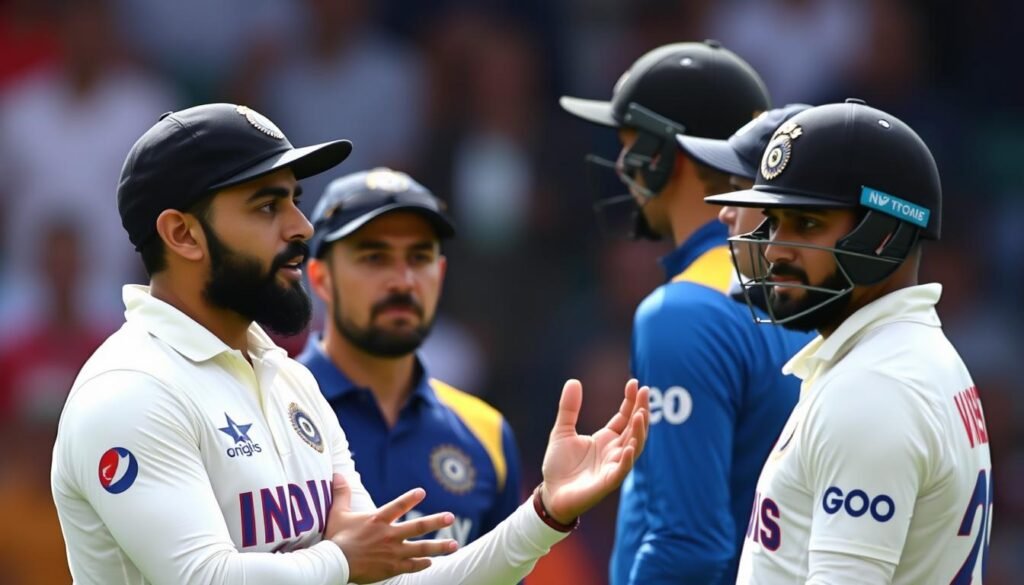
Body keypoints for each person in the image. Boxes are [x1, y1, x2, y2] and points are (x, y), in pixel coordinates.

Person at [50, 103, 650, 585]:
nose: (301, 228)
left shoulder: (288, 380)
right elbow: (203, 578)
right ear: (182, 234)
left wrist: (547, 513)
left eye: (294, 200)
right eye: (266, 205)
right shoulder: (132, 390)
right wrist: (341, 561)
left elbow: (390, 578)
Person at [704, 99, 992, 583]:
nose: (774, 248)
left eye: (808, 223)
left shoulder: (875, 387)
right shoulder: (904, 359)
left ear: (885, 235)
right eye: (774, 223)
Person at [560, 41, 812, 585]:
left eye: (629, 145)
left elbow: (687, 545)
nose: (622, 165)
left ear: (658, 154)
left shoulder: (683, 312)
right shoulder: (814, 286)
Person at [297, 167, 521, 548]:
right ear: (320, 279)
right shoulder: (262, 412)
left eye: (419, 258)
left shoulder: (488, 435)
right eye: (374, 257)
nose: (403, 280)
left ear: (441, 272)